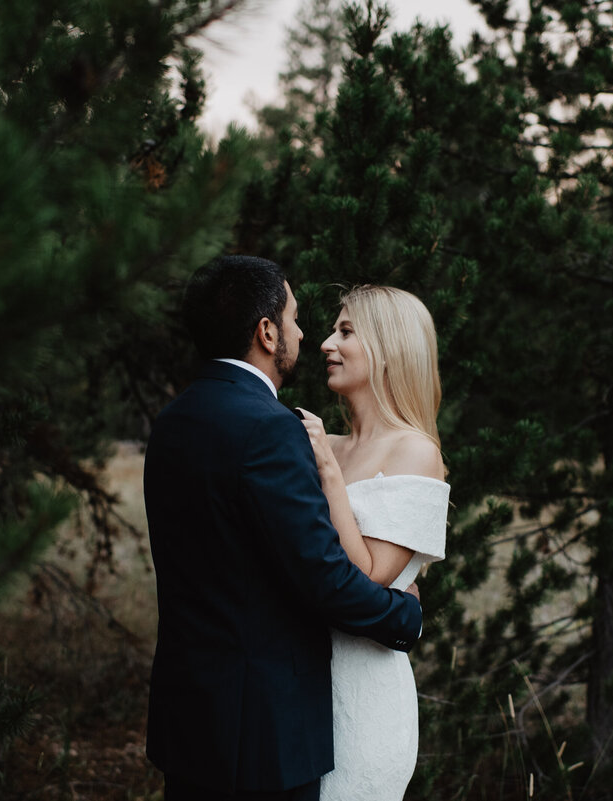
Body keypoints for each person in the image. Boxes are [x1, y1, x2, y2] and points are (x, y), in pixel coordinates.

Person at [143, 256, 424, 801]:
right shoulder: (269, 429)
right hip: (262, 732)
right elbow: (322, 575)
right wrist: (404, 616)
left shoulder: (174, 421)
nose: (304, 334)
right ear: (266, 333)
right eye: (294, 319)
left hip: (188, 717)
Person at [296, 285, 449, 801]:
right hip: (298, 683)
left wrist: (329, 475)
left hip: (365, 694)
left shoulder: (415, 450)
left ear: (387, 345)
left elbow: (367, 578)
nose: (324, 343)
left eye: (344, 331)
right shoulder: (326, 444)